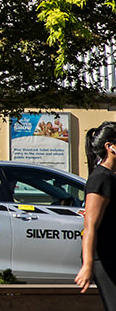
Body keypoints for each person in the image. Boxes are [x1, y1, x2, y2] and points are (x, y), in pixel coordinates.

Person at [78, 122, 116, 308]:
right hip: (105, 257)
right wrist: (87, 264)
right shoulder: (101, 178)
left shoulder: (111, 177)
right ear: (110, 147)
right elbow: (90, 226)